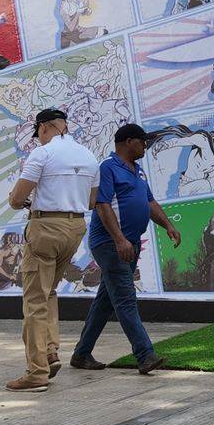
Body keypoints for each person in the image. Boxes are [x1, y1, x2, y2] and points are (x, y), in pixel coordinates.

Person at [68, 124, 181, 374]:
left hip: (129, 244)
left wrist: (168, 225)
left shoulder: (138, 171)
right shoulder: (107, 168)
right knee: (125, 299)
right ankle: (145, 355)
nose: (145, 146)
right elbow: (102, 205)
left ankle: (81, 354)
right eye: (142, 141)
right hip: (111, 245)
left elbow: (149, 202)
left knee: (105, 302)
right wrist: (119, 240)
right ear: (128, 142)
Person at [5, 108, 100, 392]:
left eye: (39, 133)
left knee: (34, 299)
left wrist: (22, 200)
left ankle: (37, 372)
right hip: (75, 228)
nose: (39, 138)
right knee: (49, 291)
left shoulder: (42, 154)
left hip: (45, 228)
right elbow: (92, 201)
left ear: (44, 127)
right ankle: (50, 352)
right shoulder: (88, 155)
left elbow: (17, 198)